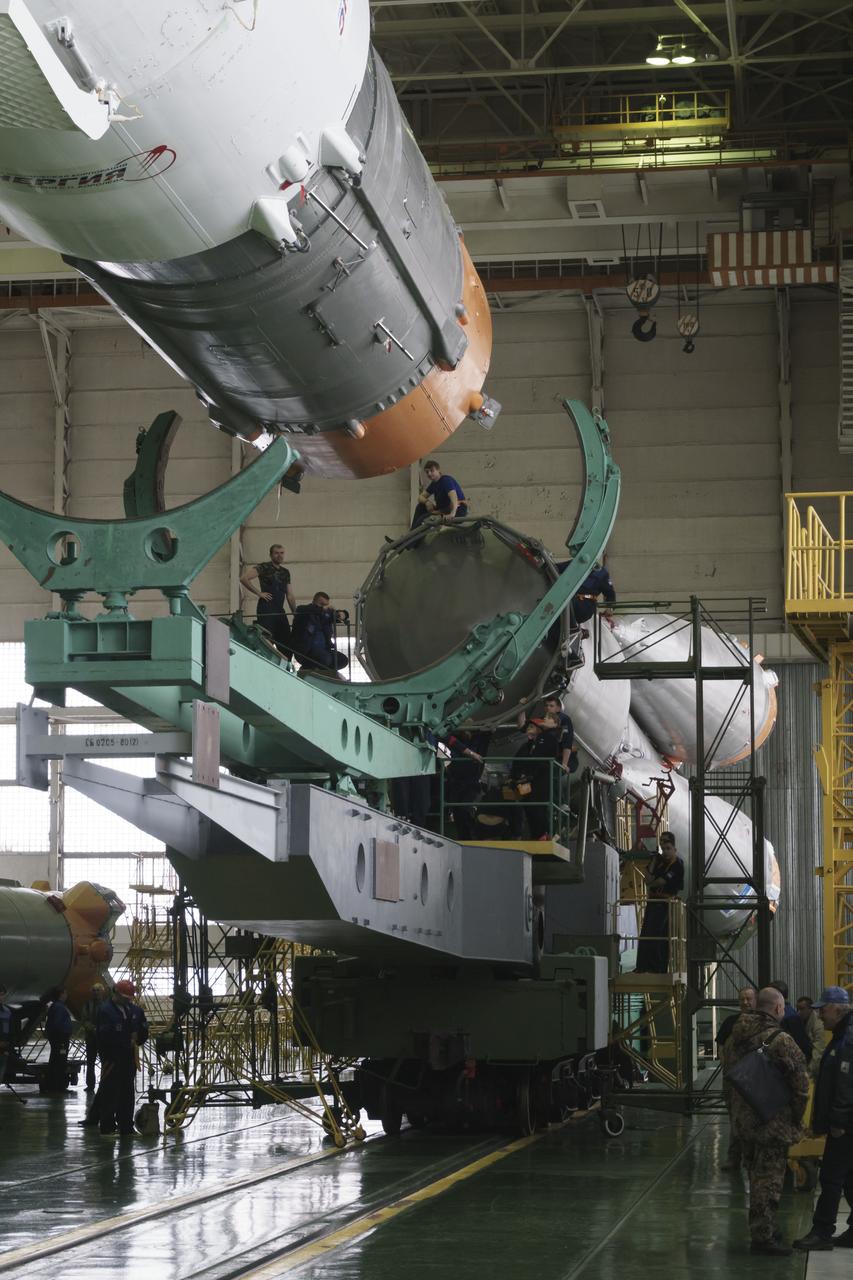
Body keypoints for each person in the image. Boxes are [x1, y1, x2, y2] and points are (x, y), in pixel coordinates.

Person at [726, 986, 809, 1256]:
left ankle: (765, 1228)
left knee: (754, 1177)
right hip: (771, 1122)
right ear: (777, 1009)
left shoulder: (735, 1036)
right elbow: (800, 1086)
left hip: (743, 1121)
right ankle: (763, 1237)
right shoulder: (781, 1040)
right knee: (769, 1181)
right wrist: (796, 1118)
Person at [793, 986, 853, 1251]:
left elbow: (846, 1086)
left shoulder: (848, 1039)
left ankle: (822, 1231)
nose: (819, 1015)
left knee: (830, 1178)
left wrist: (838, 1122)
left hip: (846, 1125)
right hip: (844, 1123)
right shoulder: (839, 1036)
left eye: (823, 1009)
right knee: (850, 1177)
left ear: (838, 1010)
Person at [96, 980, 149, 1138]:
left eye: (130, 998)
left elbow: (142, 1028)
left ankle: (126, 1126)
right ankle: (107, 1128)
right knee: (110, 1092)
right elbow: (104, 1036)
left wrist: (138, 1038)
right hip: (112, 1058)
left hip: (129, 1058)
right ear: (116, 994)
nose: (128, 1000)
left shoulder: (134, 1010)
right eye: (125, 997)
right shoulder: (105, 1011)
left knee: (127, 1093)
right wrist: (125, 1040)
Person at [716, 986, 757, 1171]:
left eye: (749, 998)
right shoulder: (730, 1022)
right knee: (735, 1120)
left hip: (753, 1082)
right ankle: (734, 1158)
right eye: (742, 999)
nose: (745, 1002)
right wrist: (727, 1069)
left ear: (756, 1000)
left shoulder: (761, 1023)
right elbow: (721, 1047)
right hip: (733, 1081)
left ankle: (752, 1159)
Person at [634, 831, 684, 973]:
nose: (664, 848)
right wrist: (654, 862)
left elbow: (657, 882)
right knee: (646, 935)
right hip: (653, 902)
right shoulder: (659, 862)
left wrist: (652, 881)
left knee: (659, 937)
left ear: (674, 848)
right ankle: (642, 967)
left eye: (667, 845)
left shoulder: (677, 864)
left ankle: (657, 968)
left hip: (666, 904)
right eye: (662, 843)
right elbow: (647, 880)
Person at [240, 544, 296, 656]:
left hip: (279, 610)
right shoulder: (264, 567)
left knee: (286, 644)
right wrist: (259, 593)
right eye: (276, 553)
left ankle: (285, 669)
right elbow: (244, 578)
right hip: (266, 608)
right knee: (266, 640)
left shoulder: (285, 572)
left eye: (282, 553)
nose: (279, 555)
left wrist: (295, 613)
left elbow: (289, 595)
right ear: (271, 555)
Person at [510, 720, 559, 840]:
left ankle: (546, 834)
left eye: (531, 727)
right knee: (528, 808)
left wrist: (530, 774)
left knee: (538, 809)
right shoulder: (526, 746)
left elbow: (544, 761)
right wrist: (517, 776)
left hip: (539, 782)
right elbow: (517, 762)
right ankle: (536, 836)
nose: (528, 729)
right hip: (525, 783)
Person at [444, 730, 489, 839]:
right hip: (456, 783)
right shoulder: (454, 737)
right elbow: (447, 737)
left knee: (466, 811)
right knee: (458, 812)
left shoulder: (480, 738)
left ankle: (472, 837)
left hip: (471, 784)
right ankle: (464, 837)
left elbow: (489, 730)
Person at [291, 592, 348, 674]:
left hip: (323, 649)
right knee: (326, 659)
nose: (324, 607)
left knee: (343, 660)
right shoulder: (303, 611)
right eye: (321, 604)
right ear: (314, 602)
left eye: (326, 605)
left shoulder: (325, 615)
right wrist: (323, 609)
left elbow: (340, 615)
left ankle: (321, 671)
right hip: (305, 651)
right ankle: (307, 668)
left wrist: (343, 614)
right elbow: (301, 609)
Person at [411, 460, 468, 528]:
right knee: (420, 507)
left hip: (457, 510)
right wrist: (427, 502)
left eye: (432, 471)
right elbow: (420, 497)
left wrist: (452, 514)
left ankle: (414, 536)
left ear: (438, 470)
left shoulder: (446, 480)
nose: (429, 473)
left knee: (423, 519)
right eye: (427, 472)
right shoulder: (434, 484)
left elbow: (454, 497)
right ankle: (412, 533)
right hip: (443, 510)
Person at [43, 986, 72, 1092]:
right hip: (61, 1038)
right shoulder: (59, 1007)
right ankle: (59, 1086)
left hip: (57, 1037)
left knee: (55, 1059)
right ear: (61, 994)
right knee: (60, 1061)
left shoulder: (55, 1006)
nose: (66, 995)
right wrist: (61, 1035)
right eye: (65, 993)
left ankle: (53, 1085)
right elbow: (57, 1023)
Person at [79, 981, 106, 1093]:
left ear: (102, 991)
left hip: (104, 1038)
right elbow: (84, 1020)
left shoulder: (107, 1005)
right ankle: (90, 1085)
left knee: (105, 1062)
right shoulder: (87, 1004)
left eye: (97, 990)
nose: (95, 992)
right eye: (94, 990)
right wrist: (93, 1029)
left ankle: (104, 1085)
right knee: (90, 1063)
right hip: (91, 1038)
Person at [0, 983, 12, 1085]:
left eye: (2, 995)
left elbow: (8, 1030)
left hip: (3, 1048)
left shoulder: (7, 1011)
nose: (1, 997)